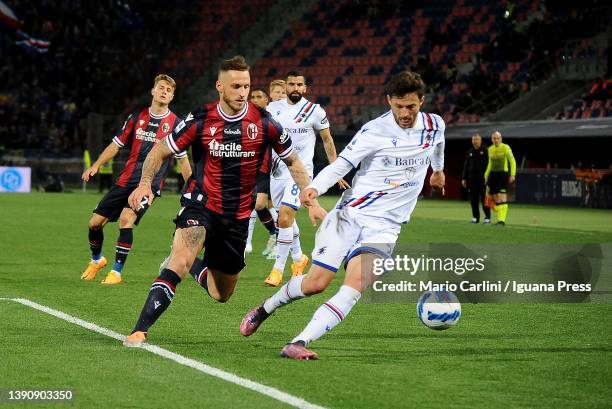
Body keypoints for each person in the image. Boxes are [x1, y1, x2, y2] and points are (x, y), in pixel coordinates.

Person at [240, 71, 446, 360]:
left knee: (354, 287)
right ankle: (265, 309)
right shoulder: (375, 130)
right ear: (389, 101)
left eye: (411, 106)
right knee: (316, 283)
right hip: (350, 215)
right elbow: (342, 165)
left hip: (386, 227)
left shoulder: (435, 125)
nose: (404, 113)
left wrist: (437, 171)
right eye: (398, 106)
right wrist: (312, 189)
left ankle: (299, 341)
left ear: (422, 101)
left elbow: (439, 144)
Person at [123, 56, 319, 347]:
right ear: (220, 86)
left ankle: (193, 266)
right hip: (200, 204)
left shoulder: (264, 123)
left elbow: (294, 161)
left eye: (247, 86)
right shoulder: (201, 119)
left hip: (238, 216)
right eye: (236, 86)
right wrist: (143, 184)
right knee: (179, 260)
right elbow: (160, 150)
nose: (242, 92)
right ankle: (139, 330)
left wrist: (310, 199)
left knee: (221, 294)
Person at [81, 74, 191, 285]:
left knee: (126, 219)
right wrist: (96, 165)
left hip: (150, 185)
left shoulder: (176, 124)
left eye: (169, 89)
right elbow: (116, 145)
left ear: (172, 96)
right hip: (126, 179)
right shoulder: (137, 117)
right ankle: (97, 260)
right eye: (161, 87)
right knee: (94, 223)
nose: (164, 91)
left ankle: (116, 272)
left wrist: (191, 188)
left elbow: (182, 159)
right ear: (153, 91)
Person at [263, 70, 349, 287]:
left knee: (284, 217)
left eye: (299, 84)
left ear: (305, 88)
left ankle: (277, 269)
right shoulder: (272, 109)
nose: (295, 88)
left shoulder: (315, 111)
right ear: (286, 87)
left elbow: (327, 141)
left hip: (301, 174)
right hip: (276, 172)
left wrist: (336, 169)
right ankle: (299, 257)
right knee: (283, 221)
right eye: (291, 84)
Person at [245, 88, 279, 257]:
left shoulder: (270, 120)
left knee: (259, 205)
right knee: (251, 205)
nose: (255, 99)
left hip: (266, 169)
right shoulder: (244, 118)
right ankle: (246, 241)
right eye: (253, 97)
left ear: (267, 101)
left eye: (259, 97)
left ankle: (276, 234)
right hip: (245, 167)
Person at [484, 131, 516, 226]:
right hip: (493, 175)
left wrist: (512, 174)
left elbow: (512, 161)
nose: (496, 140)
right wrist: (486, 174)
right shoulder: (490, 149)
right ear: (492, 139)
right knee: (493, 198)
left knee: (502, 196)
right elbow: (490, 163)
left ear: (501, 139)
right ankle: (500, 215)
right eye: (494, 138)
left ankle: (501, 220)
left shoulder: (506, 147)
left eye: (498, 138)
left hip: (503, 174)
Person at [461, 133, 490, 223]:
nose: (475, 141)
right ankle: (475, 217)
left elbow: (490, 164)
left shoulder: (485, 151)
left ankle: (487, 217)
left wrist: (488, 177)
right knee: (473, 199)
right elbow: (466, 165)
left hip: (483, 179)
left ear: (480, 141)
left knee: (484, 198)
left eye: (477, 139)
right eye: (473, 139)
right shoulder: (470, 151)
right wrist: (464, 178)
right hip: (472, 179)